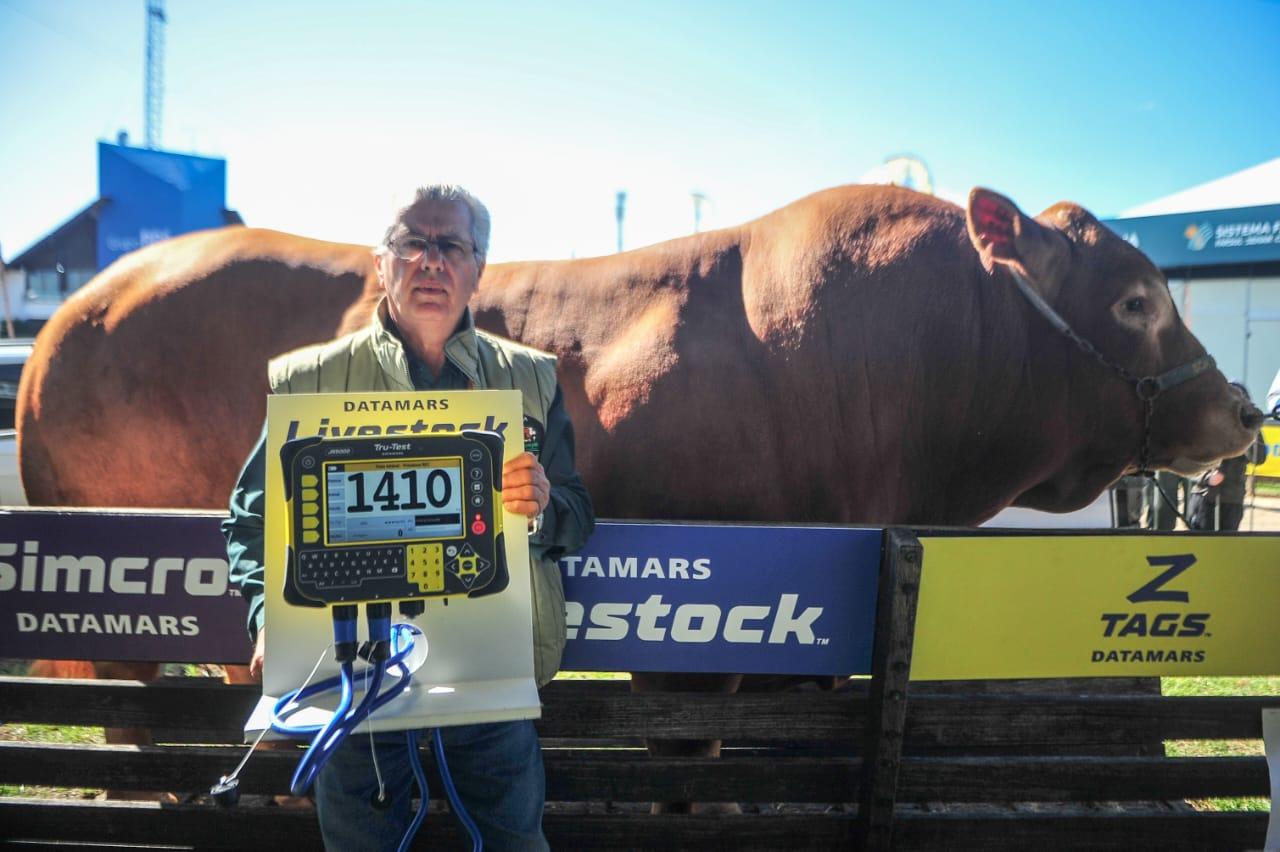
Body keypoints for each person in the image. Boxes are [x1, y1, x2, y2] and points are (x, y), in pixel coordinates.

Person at [223, 185, 595, 851]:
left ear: (478, 267)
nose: (431, 261)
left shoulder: (531, 381)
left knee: (513, 841)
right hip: (351, 676)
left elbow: (577, 513)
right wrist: (264, 616)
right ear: (381, 263)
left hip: (491, 673)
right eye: (412, 244)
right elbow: (250, 520)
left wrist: (541, 508)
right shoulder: (310, 380)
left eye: (450, 245)